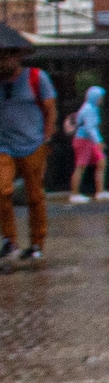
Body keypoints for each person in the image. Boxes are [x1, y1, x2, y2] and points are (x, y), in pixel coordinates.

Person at [0, 27, 55, 270]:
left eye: (6, 56)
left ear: (17, 56)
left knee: (35, 196)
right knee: (2, 191)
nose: (2, 62)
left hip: (33, 144)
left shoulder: (36, 77)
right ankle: (9, 241)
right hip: (3, 146)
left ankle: (36, 244)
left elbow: (50, 109)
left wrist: (45, 140)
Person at [66, 86, 108, 203]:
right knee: (81, 165)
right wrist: (98, 140)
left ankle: (100, 192)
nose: (101, 99)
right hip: (83, 140)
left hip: (89, 140)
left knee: (101, 161)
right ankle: (74, 194)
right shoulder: (89, 109)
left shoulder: (92, 108)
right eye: (100, 97)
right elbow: (90, 128)